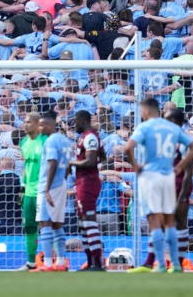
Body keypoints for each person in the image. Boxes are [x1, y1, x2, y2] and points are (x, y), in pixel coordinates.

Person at [125, 98, 193, 273]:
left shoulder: (145, 127)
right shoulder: (173, 128)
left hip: (150, 176)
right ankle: (177, 265)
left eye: (142, 111)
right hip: (168, 177)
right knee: (170, 221)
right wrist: (180, 165)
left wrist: (136, 166)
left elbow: (128, 147)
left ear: (147, 110)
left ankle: (161, 265)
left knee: (155, 222)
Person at [33, 110, 73, 272]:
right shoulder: (66, 141)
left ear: (50, 125)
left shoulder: (51, 141)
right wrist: (62, 182)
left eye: (42, 125)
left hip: (48, 186)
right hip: (61, 184)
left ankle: (48, 264)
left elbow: (52, 164)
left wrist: (47, 188)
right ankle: (61, 263)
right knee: (57, 224)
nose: (40, 128)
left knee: (45, 223)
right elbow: (69, 166)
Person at [68, 110, 105, 271]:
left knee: (89, 221)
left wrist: (71, 163)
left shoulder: (90, 136)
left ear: (82, 120)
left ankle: (96, 263)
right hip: (84, 181)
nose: (73, 125)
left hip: (88, 182)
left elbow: (90, 161)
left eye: (75, 121)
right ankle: (90, 262)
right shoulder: (89, 137)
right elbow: (102, 156)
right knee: (83, 223)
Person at [17, 112, 45, 272]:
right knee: (29, 227)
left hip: (43, 191)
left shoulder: (45, 141)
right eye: (24, 122)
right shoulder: (23, 143)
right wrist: (22, 187)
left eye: (28, 122)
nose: (25, 124)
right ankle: (30, 263)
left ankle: (53, 262)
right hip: (28, 192)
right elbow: (27, 169)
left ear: (36, 124)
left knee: (47, 226)